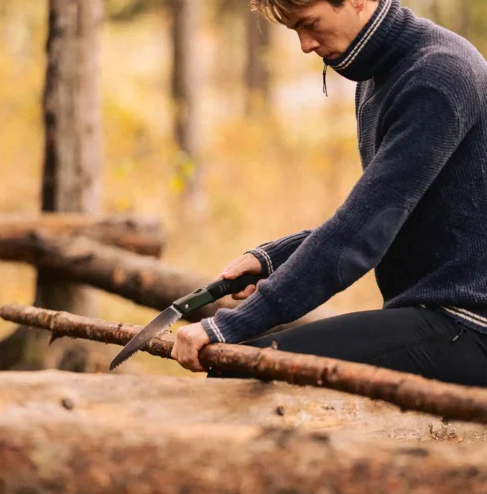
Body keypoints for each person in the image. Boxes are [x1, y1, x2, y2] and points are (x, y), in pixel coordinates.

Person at [170, 0, 487, 386]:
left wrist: (230, 325)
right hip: (435, 316)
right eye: (295, 31)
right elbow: (383, 217)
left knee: (245, 371)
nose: (305, 44)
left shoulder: (437, 75)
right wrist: (273, 258)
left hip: (469, 324)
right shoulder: (379, 77)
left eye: (310, 24)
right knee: (246, 363)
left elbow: (363, 232)